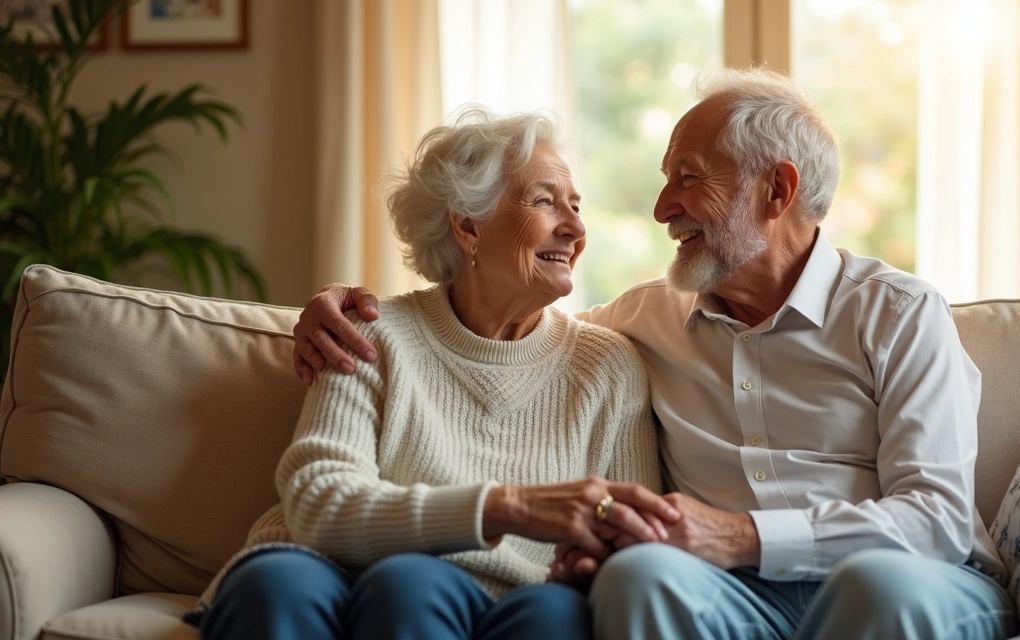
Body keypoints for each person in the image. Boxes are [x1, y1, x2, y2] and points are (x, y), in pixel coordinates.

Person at [293, 68, 1018, 640]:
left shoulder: (899, 313)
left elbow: (935, 520)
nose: (661, 207)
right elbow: (503, 330)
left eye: (688, 177)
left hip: (914, 583)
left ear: (777, 188)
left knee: (874, 587)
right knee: (637, 577)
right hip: (736, 597)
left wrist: (740, 535)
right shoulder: (640, 322)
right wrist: (336, 305)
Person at [190, 107, 677, 640]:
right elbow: (318, 503)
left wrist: (593, 562)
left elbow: (633, 543)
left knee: (541, 616)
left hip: (516, 596)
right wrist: (509, 507)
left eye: (576, 206)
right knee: (290, 586)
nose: (576, 228)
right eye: (544, 201)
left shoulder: (609, 367)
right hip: (332, 573)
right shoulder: (371, 334)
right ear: (467, 226)